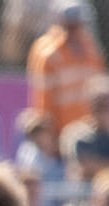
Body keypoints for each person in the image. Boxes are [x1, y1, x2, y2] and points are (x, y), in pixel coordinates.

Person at [29, 1, 106, 136]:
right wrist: (49, 135)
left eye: (79, 25)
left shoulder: (90, 48)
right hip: (60, 131)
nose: (77, 30)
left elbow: (100, 90)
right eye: (72, 26)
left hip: (89, 132)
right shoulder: (50, 54)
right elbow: (44, 100)